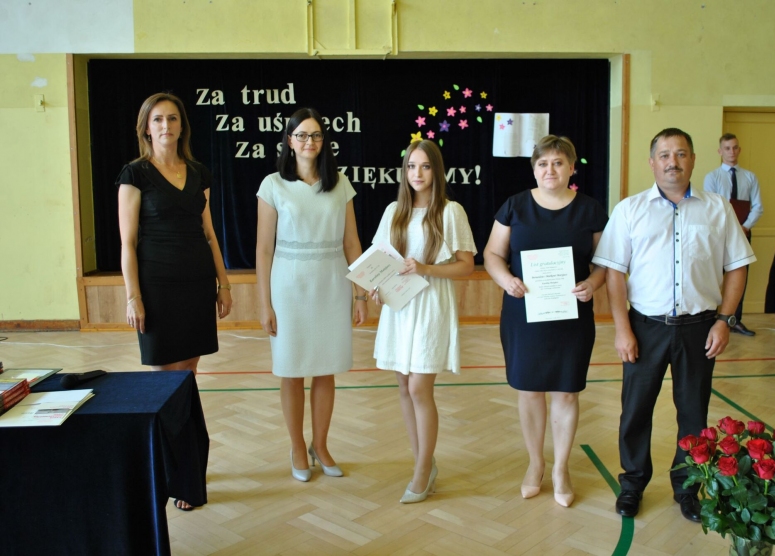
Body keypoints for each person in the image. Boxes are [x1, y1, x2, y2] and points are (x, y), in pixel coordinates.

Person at [592, 128, 755, 522]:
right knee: (635, 410)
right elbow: (614, 273)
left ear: (693, 160)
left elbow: (737, 266)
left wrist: (724, 320)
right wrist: (622, 329)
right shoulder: (629, 210)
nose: (672, 162)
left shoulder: (717, 209)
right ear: (652, 163)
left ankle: (688, 487)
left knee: (693, 412)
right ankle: (632, 484)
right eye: (664, 155)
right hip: (644, 327)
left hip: (700, 328)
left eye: (680, 154)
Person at [117, 92, 232, 511]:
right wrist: (133, 297)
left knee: (186, 379)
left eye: (172, 118)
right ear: (147, 128)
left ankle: (187, 471)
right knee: (165, 383)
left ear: (182, 125)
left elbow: (210, 233)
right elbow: (128, 243)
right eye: (158, 120)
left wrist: (224, 283)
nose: (166, 126)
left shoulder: (198, 172)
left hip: (196, 286)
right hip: (157, 288)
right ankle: (175, 469)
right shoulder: (134, 174)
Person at [483, 135, 607, 506]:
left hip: (572, 316)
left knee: (566, 391)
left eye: (557, 162)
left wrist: (592, 283)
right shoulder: (515, 206)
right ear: (534, 169)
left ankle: (561, 468)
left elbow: (605, 262)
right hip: (524, 315)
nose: (549, 170)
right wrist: (506, 280)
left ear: (571, 168)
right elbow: (492, 254)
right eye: (542, 163)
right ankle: (535, 463)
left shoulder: (590, 209)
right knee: (530, 390)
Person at [256, 107, 368, 483]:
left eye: (316, 135)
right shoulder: (272, 184)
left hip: (331, 284)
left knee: (325, 369)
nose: (309, 141)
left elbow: (352, 243)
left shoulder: (340, 184)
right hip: (288, 288)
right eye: (302, 135)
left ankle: (320, 445)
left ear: (324, 141)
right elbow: (264, 250)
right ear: (289, 141)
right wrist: (264, 303)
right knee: (291, 371)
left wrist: (360, 294)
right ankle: (297, 446)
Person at [370, 139, 476, 504]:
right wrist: (376, 287)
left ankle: (421, 471)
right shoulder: (393, 212)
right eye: (412, 166)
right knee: (404, 385)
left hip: (431, 303)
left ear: (436, 171)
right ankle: (424, 464)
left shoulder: (450, 211)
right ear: (404, 172)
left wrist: (426, 268)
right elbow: (379, 262)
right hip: (399, 306)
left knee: (418, 388)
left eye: (425, 166)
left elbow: (466, 266)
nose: (418, 173)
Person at [703, 133, 764, 336]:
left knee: (739, 273)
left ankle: (734, 319)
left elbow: (758, 206)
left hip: (743, 232)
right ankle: (711, 317)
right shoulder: (712, 177)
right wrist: (725, 229)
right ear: (720, 151)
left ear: (739, 150)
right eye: (727, 148)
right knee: (714, 275)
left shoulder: (750, 177)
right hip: (718, 233)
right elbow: (710, 207)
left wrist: (744, 227)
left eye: (735, 147)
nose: (732, 152)